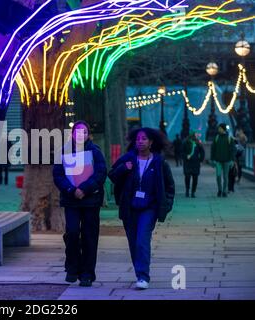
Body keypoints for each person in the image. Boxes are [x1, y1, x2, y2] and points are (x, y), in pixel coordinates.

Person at [108, 128, 175, 290]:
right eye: (138, 139)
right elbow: (112, 175)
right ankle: (139, 274)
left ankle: (143, 276)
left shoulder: (159, 162)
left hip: (149, 208)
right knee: (133, 242)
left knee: (142, 240)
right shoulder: (128, 158)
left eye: (144, 139)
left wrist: (166, 205)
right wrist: (125, 168)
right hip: (129, 208)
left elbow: (170, 186)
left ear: (151, 142)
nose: (140, 141)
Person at [53, 121, 107, 287]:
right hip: (71, 200)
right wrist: (71, 189)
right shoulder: (64, 152)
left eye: (84, 132)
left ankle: (87, 273)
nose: (80, 135)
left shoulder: (95, 152)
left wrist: (84, 189)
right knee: (73, 232)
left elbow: (100, 173)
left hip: (91, 200)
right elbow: (58, 175)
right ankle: (72, 267)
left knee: (90, 237)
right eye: (77, 131)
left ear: (88, 134)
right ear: (72, 134)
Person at [210, 123, 236, 198]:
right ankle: (220, 190)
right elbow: (213, 149)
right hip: (218, 161)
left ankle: (224, 191)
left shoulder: (229, 138)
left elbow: (232, 150)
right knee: (218, 176)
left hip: (227, 161)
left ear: (223, 129)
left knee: (225, 176)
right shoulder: (216, 138)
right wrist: (212, 159)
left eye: (220, 128)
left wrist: (232, 160)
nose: (218, 129)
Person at [182, 132, 205, 198]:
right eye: (195, 135)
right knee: (187, 177)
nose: (196, 136)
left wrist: (200, 160)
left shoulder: (198, 143)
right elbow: (182, 152)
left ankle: (192, 192)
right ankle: (187, 190)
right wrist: (186, 156)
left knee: (195, 178)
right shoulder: (185, 143)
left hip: (195, 163)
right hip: (188, 163)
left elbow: (202, 152)